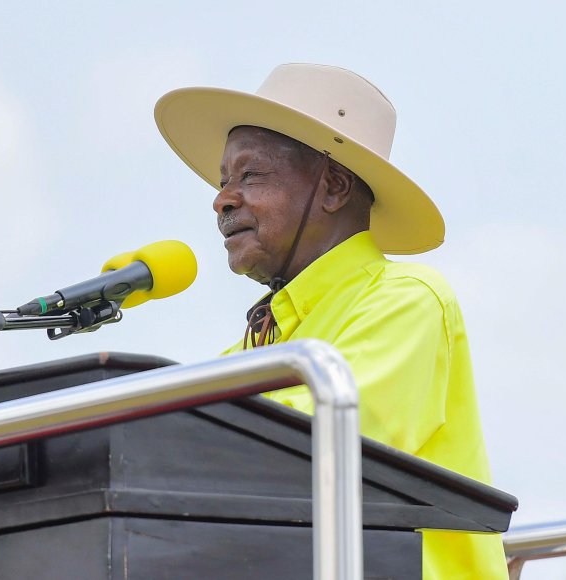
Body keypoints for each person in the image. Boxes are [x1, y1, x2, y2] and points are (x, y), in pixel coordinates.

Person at [154, 64, 507, 579]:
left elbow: (311, 450)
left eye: (250, 176)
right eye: (225, 180)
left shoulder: (407, 300)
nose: (222, 199)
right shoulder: (255, 343)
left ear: (334, 187)